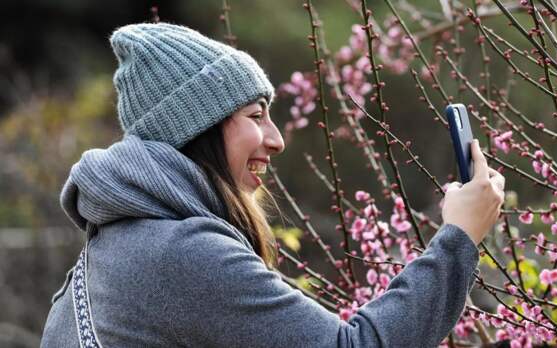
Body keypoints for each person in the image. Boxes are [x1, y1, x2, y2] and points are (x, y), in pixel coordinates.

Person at [40, 22, 505, 347]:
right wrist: (458, 239)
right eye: (255, 115)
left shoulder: (121, 248)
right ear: (196, 128)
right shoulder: (179, 253)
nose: (276, 139)